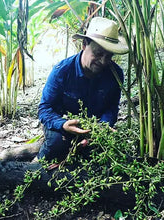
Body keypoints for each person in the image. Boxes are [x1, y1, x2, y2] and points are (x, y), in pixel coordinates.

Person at [37, 17, 128, 162]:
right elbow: (45, 108)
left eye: (109, 56)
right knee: (57, 145)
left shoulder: (115, 74)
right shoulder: (62, 71)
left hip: (94, 128)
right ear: (84, 44)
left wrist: (103, 126)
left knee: (106, 155)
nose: (104, 61)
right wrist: (63, 124)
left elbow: (111, 108)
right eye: (98, 54)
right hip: (63, 125)